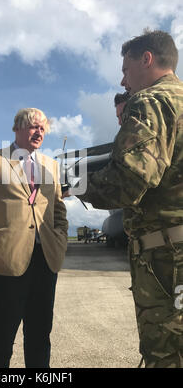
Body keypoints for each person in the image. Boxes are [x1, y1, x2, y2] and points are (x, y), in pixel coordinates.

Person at [77, 30, 183, 368]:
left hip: (168, 259)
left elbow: (128, 182)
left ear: (147, 60)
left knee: (165, 353)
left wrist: (76, 184)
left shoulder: (151, 101)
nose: (123, 80)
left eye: (125, 69)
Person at [0, 108, 68, 368]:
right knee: (2, 335)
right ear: (17, 128)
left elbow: (58, 209)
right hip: (6, 261)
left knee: (41, 334)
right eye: (33, 126)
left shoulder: (51, 166)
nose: (39, 132)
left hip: (45, 261)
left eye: (43, 128)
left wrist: (60, 241)